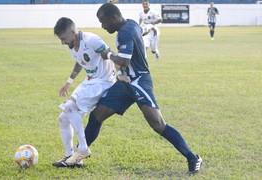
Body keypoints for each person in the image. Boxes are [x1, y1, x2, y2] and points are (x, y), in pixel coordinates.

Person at [67, 3, 203, 174]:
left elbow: (123, 61)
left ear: (113, 18)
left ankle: (193, 157)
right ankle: (78, 155)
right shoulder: (131, 24)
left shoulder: (126, 31)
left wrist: (107, 54)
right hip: (125, 83)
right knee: (97, 115)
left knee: (158, 124)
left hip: (139, 81)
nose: (103, 26)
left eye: (104, 22)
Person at [52, 17, 116, 167]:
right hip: (90, 81)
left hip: (103, 82)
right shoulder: (73, 46)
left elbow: (110, 54)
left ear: (73, 32)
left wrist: (120, 74)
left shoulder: (92, 40)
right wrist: (69, 81)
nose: (62, 42)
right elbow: (80, 61)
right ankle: (70, 157)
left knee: (69, 107)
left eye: (63, 38)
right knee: (63, 118)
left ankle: (83, 148)